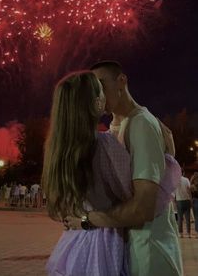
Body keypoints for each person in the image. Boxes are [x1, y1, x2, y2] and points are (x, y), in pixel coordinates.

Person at [65, 61, 183, 276]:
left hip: (149, 252)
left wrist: (87, 220)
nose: (98, 94)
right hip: (129, 251)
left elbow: (143, 208)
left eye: (102, 85)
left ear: (121, 81)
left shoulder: (141, 124)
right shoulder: (115, 128)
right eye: (95, 88)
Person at [43, 71, 132, 276]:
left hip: (74, 243)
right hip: (106, 243)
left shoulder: (58, 152)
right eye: (100, 91)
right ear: (96, 103)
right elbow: (131, 194)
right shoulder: (105, 145)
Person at [190, 171, 198, 238]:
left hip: (195, 201)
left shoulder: (193, 186)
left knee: (196, 218)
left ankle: (197, 234)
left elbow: (190, 190)